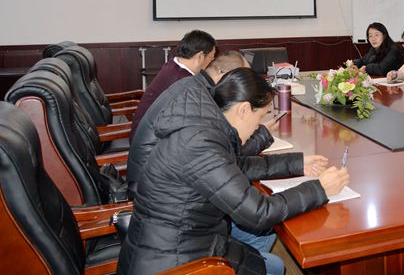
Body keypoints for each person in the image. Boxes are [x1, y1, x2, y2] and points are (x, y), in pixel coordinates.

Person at [118, 68, 350, 275]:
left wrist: (297, 163)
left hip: (183, 242)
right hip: (175, 262)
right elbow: (258, 212)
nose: (258, 127)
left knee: (269, 256)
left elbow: (237, 166)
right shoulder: (200, 144)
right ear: (243, 109)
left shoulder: (203, 124)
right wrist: (319, 189)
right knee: (274, 265)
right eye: (259, 118)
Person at [127, 51, 279, 255]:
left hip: (164, 209)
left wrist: (296, 161)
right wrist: (260, 136)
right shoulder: (199, 124)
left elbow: (224, 156)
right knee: (264, 237)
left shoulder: (195, 93)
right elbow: (222, 156)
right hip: (173, 222)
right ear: (225, 77)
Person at [130, 29, 216, 140]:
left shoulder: (173, 66)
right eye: (212, 57)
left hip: (144, 134)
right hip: (150, 143)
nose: (212, 61)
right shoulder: (184, 81)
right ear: (200, 56)